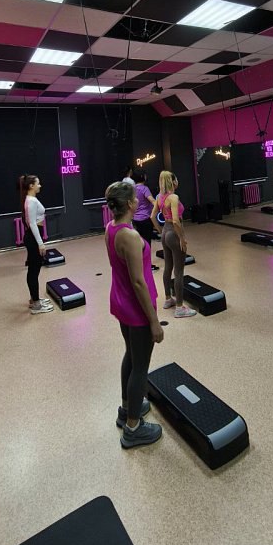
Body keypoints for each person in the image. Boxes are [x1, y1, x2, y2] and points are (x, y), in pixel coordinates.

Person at [104, 181, 164, 449]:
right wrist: (154, 321)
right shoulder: (129, 236)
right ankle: (133, 428)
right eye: (135, 198)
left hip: (121, 303)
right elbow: (138, 282)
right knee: (140, 366)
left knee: (130, 354)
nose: (139, 199)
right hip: (137, 308)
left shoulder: (111, 227)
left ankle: (127, 408)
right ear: (129, 204)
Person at [151, 171, 196, 319]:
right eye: (176, 179)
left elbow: (152, 217)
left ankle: (168, 299)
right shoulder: (174, 197)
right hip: (174, 233)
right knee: (179, 271)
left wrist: (161, 231)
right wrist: (182, 238)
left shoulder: (159, 197)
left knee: (168, 267)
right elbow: (176, 221)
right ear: (173, 181)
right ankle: (179, 308)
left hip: (165, 231)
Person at [19, 174, 54, 315]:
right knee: (33, 271)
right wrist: (40, 244)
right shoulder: (31, 201)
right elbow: (32, 223)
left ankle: (35, 299)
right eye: (38, 183)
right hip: (33, 237)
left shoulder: (30, 199)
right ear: (31, 186)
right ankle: (36, 305)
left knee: (34, 270)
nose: (40, 186)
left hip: (33, 236)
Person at [131, 168, 158, 271]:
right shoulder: (144, 188)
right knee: (147, 244)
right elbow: (152, 200)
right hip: (145, 219)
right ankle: (147, 265)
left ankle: (140, 264)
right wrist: (160, 205)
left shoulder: (133, 189)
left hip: (136, 220)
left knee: (140, 243)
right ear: (143, 177)